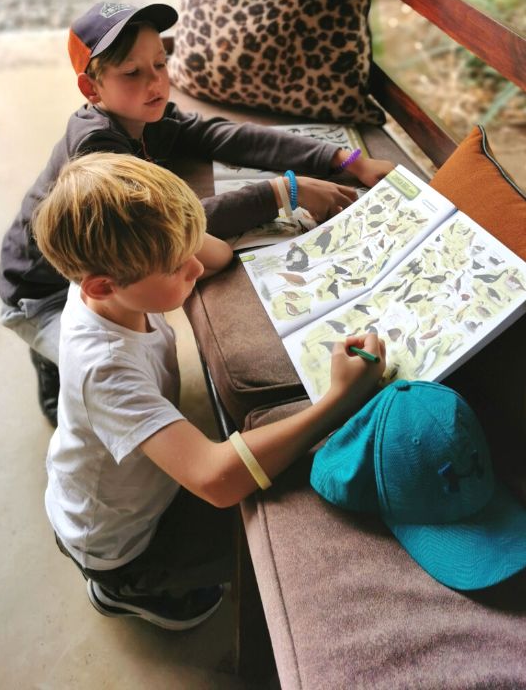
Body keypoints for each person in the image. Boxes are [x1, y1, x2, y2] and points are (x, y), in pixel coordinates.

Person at [31, 152, 386, 629]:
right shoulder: (105, 369)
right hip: (119, 544)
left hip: (99, 487)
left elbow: (214, 258)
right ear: (102, 286)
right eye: (177, 267)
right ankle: (119, 591)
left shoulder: (105, 282)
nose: (194, 270)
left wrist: (181, 237)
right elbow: (217, 479)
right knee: (255, 549)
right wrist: (338, 400)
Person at [0, 0, 394, 425]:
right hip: (44, 293)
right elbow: (171, 228)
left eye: (160, 64)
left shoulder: (147, 116)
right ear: (92, 90)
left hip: (103, 270)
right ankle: (50, 361)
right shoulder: (98, 151)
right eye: (132, 73)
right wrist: (283, 192)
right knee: (106, 386)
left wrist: (342, 159)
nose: (155, 82)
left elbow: (223, 136)